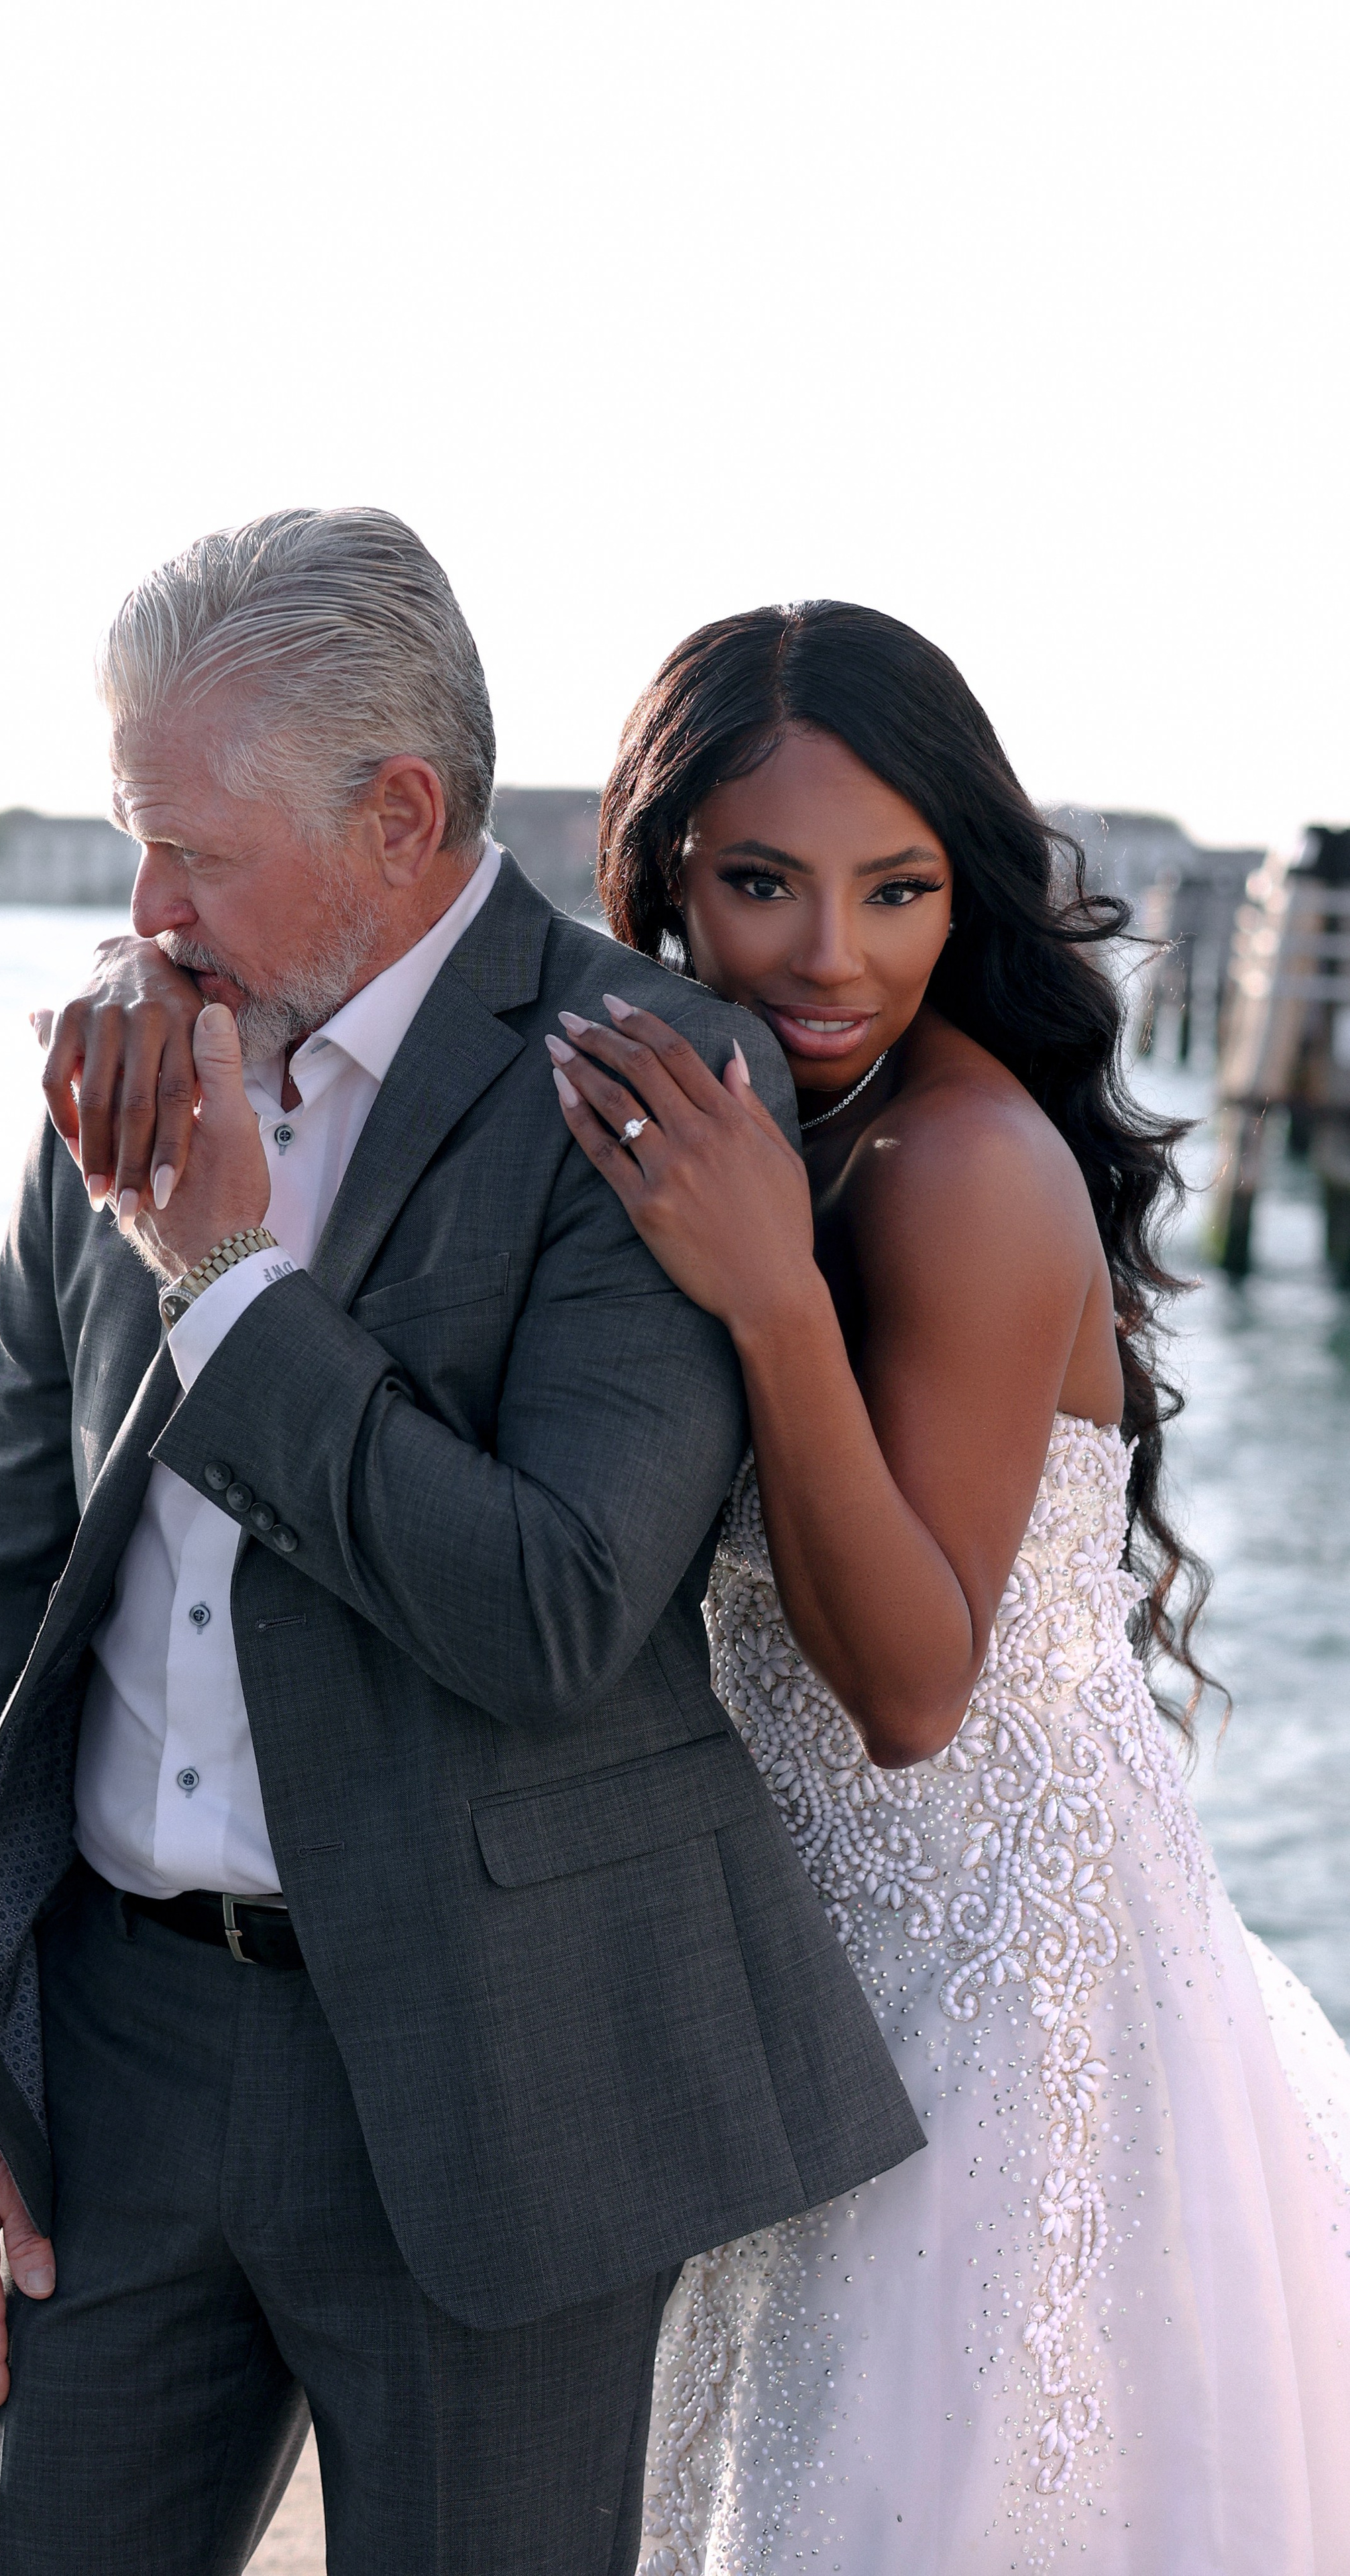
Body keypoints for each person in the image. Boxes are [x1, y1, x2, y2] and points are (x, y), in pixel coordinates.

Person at [0, 513, 924, 2576]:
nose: (143, 903)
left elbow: (550, 1610)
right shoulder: (117, 1055)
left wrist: (226, 1282)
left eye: (195, 849)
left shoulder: (652, 1084)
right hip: (109, 2060)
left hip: (490, 2081)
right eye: (135, 834)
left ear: (400, 815)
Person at [544, 600, 1350, 2574]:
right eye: (763, 883)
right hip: (789, 1985)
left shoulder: (957, 1166)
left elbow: (913, 1697)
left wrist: (770, 1304)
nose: (833, 954)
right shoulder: (749, 1119)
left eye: (896, 888)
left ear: (958, 885)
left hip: (992, 2009)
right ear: (658, 875)